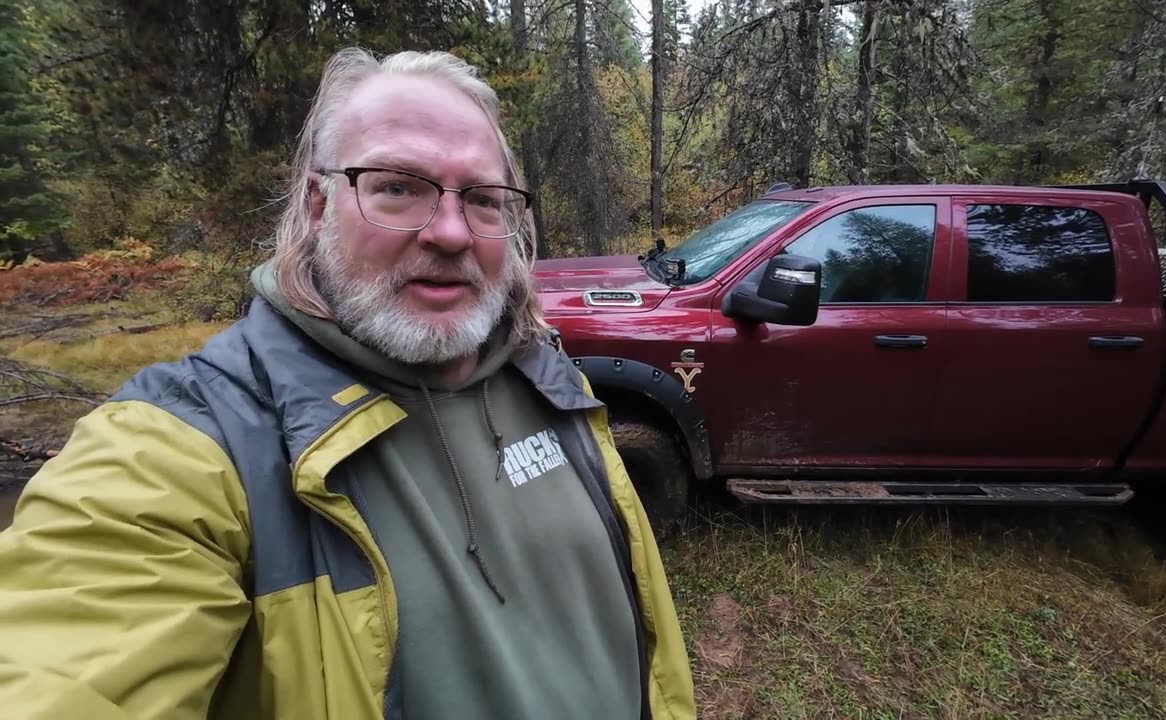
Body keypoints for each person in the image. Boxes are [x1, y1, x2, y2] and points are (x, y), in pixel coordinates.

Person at [0, 47, 695, 720]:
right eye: (397, 187)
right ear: (314, 204)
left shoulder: (548, 379)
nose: (451, 232)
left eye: (482, 199)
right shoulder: (184, 452)